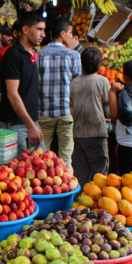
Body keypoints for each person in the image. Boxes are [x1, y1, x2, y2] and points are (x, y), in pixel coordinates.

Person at [37, 18, 82, 172]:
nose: (71, 37)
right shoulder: (73, 55)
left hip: (44, 113)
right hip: (66, 112)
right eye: (70, 33)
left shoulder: (39, 55)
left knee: (40, 158)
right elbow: (77, 84)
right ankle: (67, 189)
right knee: (66, 157)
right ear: (62, 34)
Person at [0, 12, 46, 155]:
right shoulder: (14, 55)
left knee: (41, 166)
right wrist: (30, 125)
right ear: (25, 30)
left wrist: (32, 124)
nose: (43, 34)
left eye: (43, 30)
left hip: (30, 122)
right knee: (19, 172)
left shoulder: (33, 54)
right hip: (16, 125)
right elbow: (12, 94)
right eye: (39, 29)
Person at [70, 47, 111, 185]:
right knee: (99, 172)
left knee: (81, 171)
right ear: (99, 64)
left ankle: (80, 201)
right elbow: (108, 107)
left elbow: (71, 107)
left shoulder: (75, 82)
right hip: (97, 132)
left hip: (78, 133)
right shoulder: (102, 81)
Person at [109, 60, 132, 176]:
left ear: (125, 77)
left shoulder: (121, 93)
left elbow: (113, 114)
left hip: (125, 145)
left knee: (126, 181)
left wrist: (112, 92)